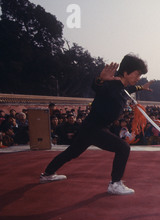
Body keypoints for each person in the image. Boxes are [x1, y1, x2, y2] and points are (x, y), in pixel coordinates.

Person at [40, 54, 152, 195]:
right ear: (125, 72)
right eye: (137, 74)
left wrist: (142, 87)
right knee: (123, 147)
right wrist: (100, 79)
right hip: (94, 128)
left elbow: (130, 90)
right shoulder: (110, 84)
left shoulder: (122, 88)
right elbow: (98, 87)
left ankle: (47, 174)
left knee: (71, 153)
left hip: (91, 127)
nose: (138, 78)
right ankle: (115, 184)